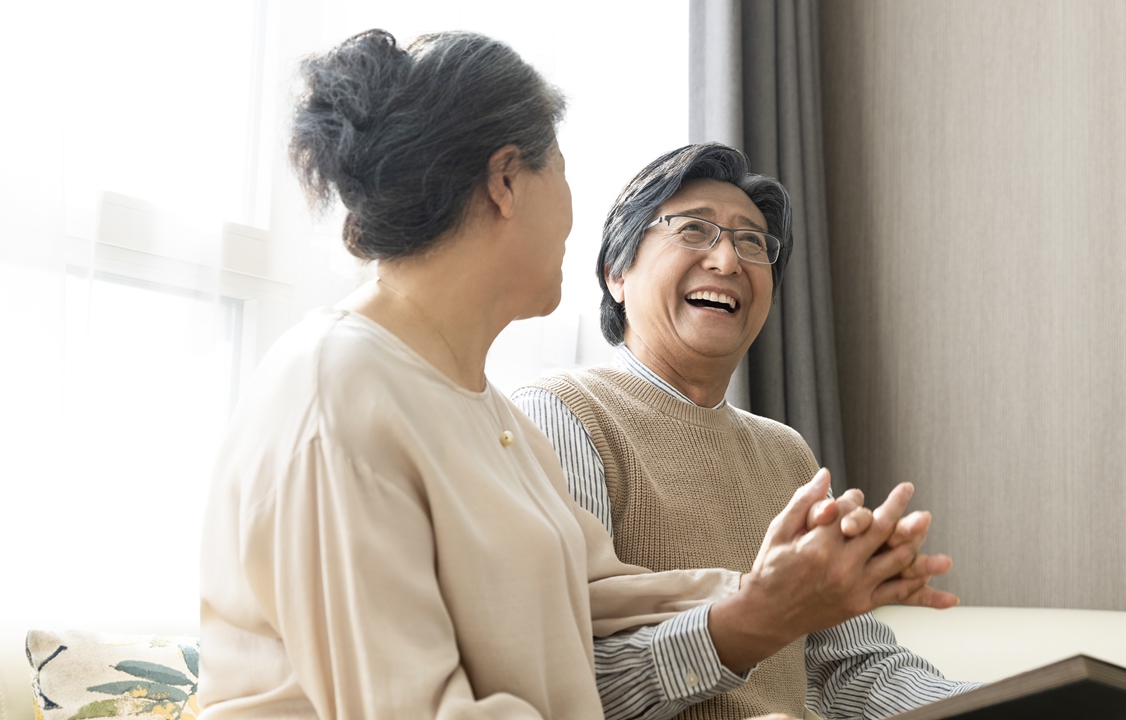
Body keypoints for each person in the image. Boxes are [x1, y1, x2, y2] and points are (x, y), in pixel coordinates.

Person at [198, 30, 950, 720]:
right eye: (558, 166)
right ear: (505, 180)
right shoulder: (338, 390)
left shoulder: (486, 413)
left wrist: (799, 585)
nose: (569, 205)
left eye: (751, 242)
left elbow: (603, 597)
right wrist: (764, 610)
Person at [514, 142, 982, 720]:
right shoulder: (560, 414)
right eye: (693, 230)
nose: (728, 261)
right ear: (617, 273)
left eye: (752, 242)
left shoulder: (784, 451)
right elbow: (567, 679)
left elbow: (849, 665)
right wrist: (752, 622)